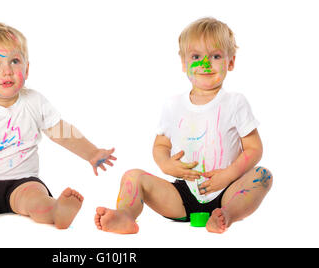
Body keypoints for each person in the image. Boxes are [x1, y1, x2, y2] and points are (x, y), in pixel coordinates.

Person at [0, 22, 116, 236]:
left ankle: (56, 211)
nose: (7, 71)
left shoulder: (35, 102)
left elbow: (62, 132)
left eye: (14, 61)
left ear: (26, 68)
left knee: (36, 200)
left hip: (23, 182)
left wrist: (92, 153)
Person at [94, 17, 272, 234]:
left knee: (263, 175)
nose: (205, 64)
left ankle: (226, 216)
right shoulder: (173, 105)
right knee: (132, 176)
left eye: (215, 56)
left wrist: (228, 174)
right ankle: (125, 215)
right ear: (184, 63)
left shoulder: (235, 102)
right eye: (196, 56)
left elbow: (254, 149)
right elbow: (160, 146)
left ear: (231, 62)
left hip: (228, 192)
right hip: (182, 195)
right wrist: (166, 165)